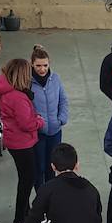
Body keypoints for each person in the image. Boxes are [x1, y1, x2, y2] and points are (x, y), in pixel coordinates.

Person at [0, 58, 45, 223]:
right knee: (27, 180)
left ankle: (26, 212)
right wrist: (39, 121)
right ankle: (20, 220)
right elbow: (26, 124)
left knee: (25, 177)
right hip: (22, 143)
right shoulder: (17, 98)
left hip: (14, 140)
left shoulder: (7, 92)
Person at [29, 45, 69, 188]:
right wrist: (35, 124)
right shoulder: (27, 83)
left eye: (45, 65)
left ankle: (51, 197)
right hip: (37, 133)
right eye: (38, 65)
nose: (42, 69)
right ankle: (41, 197)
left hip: (55, 131)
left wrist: (61, 119)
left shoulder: (55, 79)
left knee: (53, 167)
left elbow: (63, 99)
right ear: (32, 64)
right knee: (39, 168)